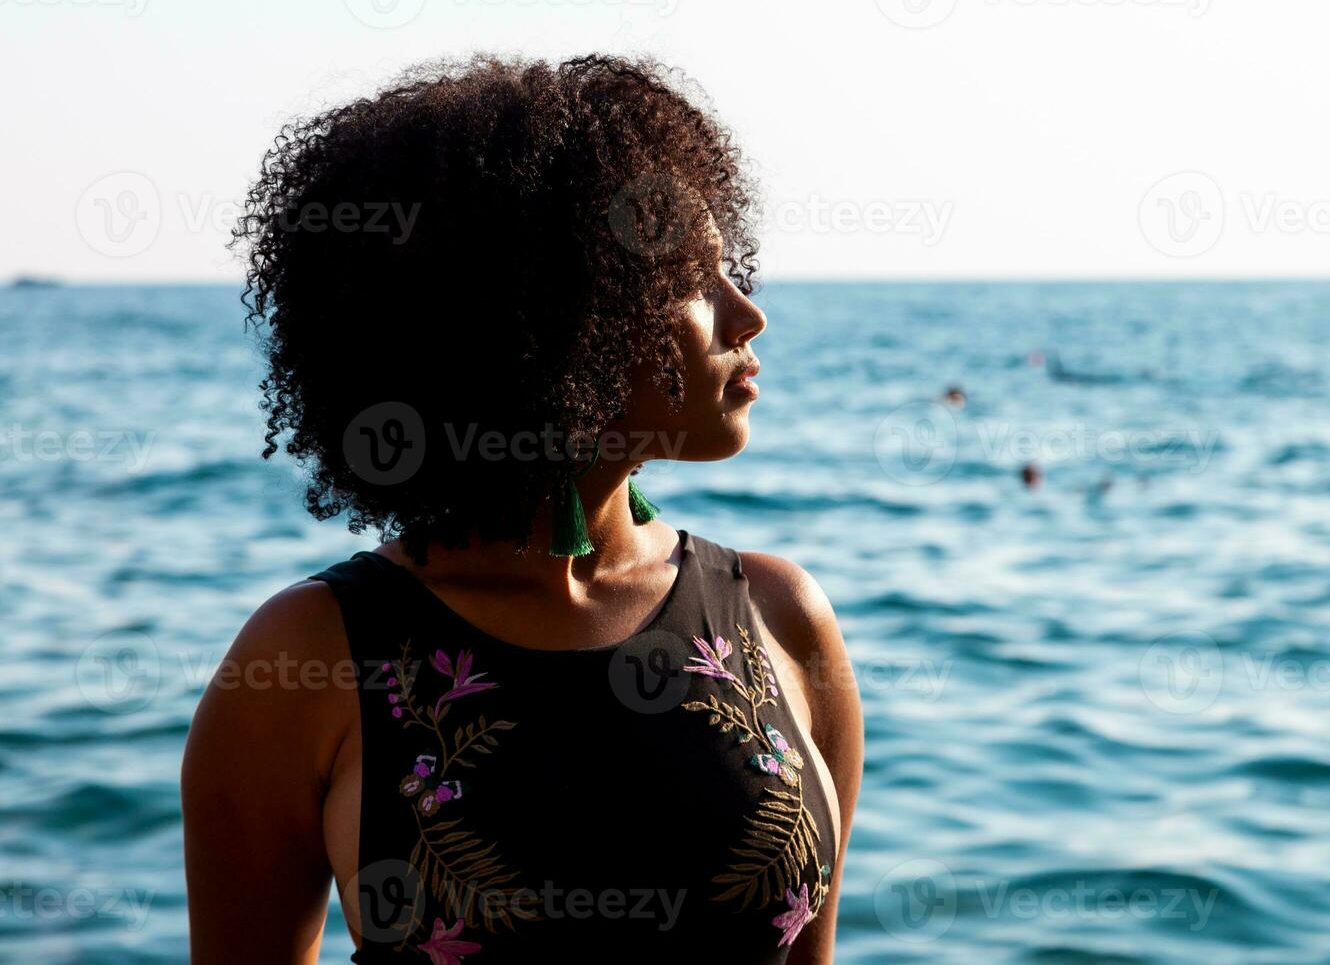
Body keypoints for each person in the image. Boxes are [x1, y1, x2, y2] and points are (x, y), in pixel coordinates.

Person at [181, 54, 863, 965]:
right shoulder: (308, 659)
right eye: (693, 280)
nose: (747, 315)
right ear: (552, 316)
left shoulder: (782, 617)